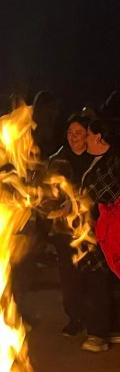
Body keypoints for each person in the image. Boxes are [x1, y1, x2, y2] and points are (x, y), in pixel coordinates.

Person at [75, 118, 120, 352]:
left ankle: (98, 334)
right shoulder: (97, 161)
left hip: (105, 231)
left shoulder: (112, 163)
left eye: (88, 135)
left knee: (98, 281)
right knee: (104, 280)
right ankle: (111, 328)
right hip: (97, 230)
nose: (85, 140)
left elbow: (100, 195)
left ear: (100, 138)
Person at [48, 115, 94, 337]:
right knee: (68, 273)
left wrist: (79, 201)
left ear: (87, 134)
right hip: (64, 228)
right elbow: (48, 193)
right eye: (70, 133)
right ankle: (74, 317)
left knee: (92, 273)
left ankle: (94, 316)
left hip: (90, 226)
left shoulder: (96, 158)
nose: (74, 138)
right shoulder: (57, 160)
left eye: (79, 133)